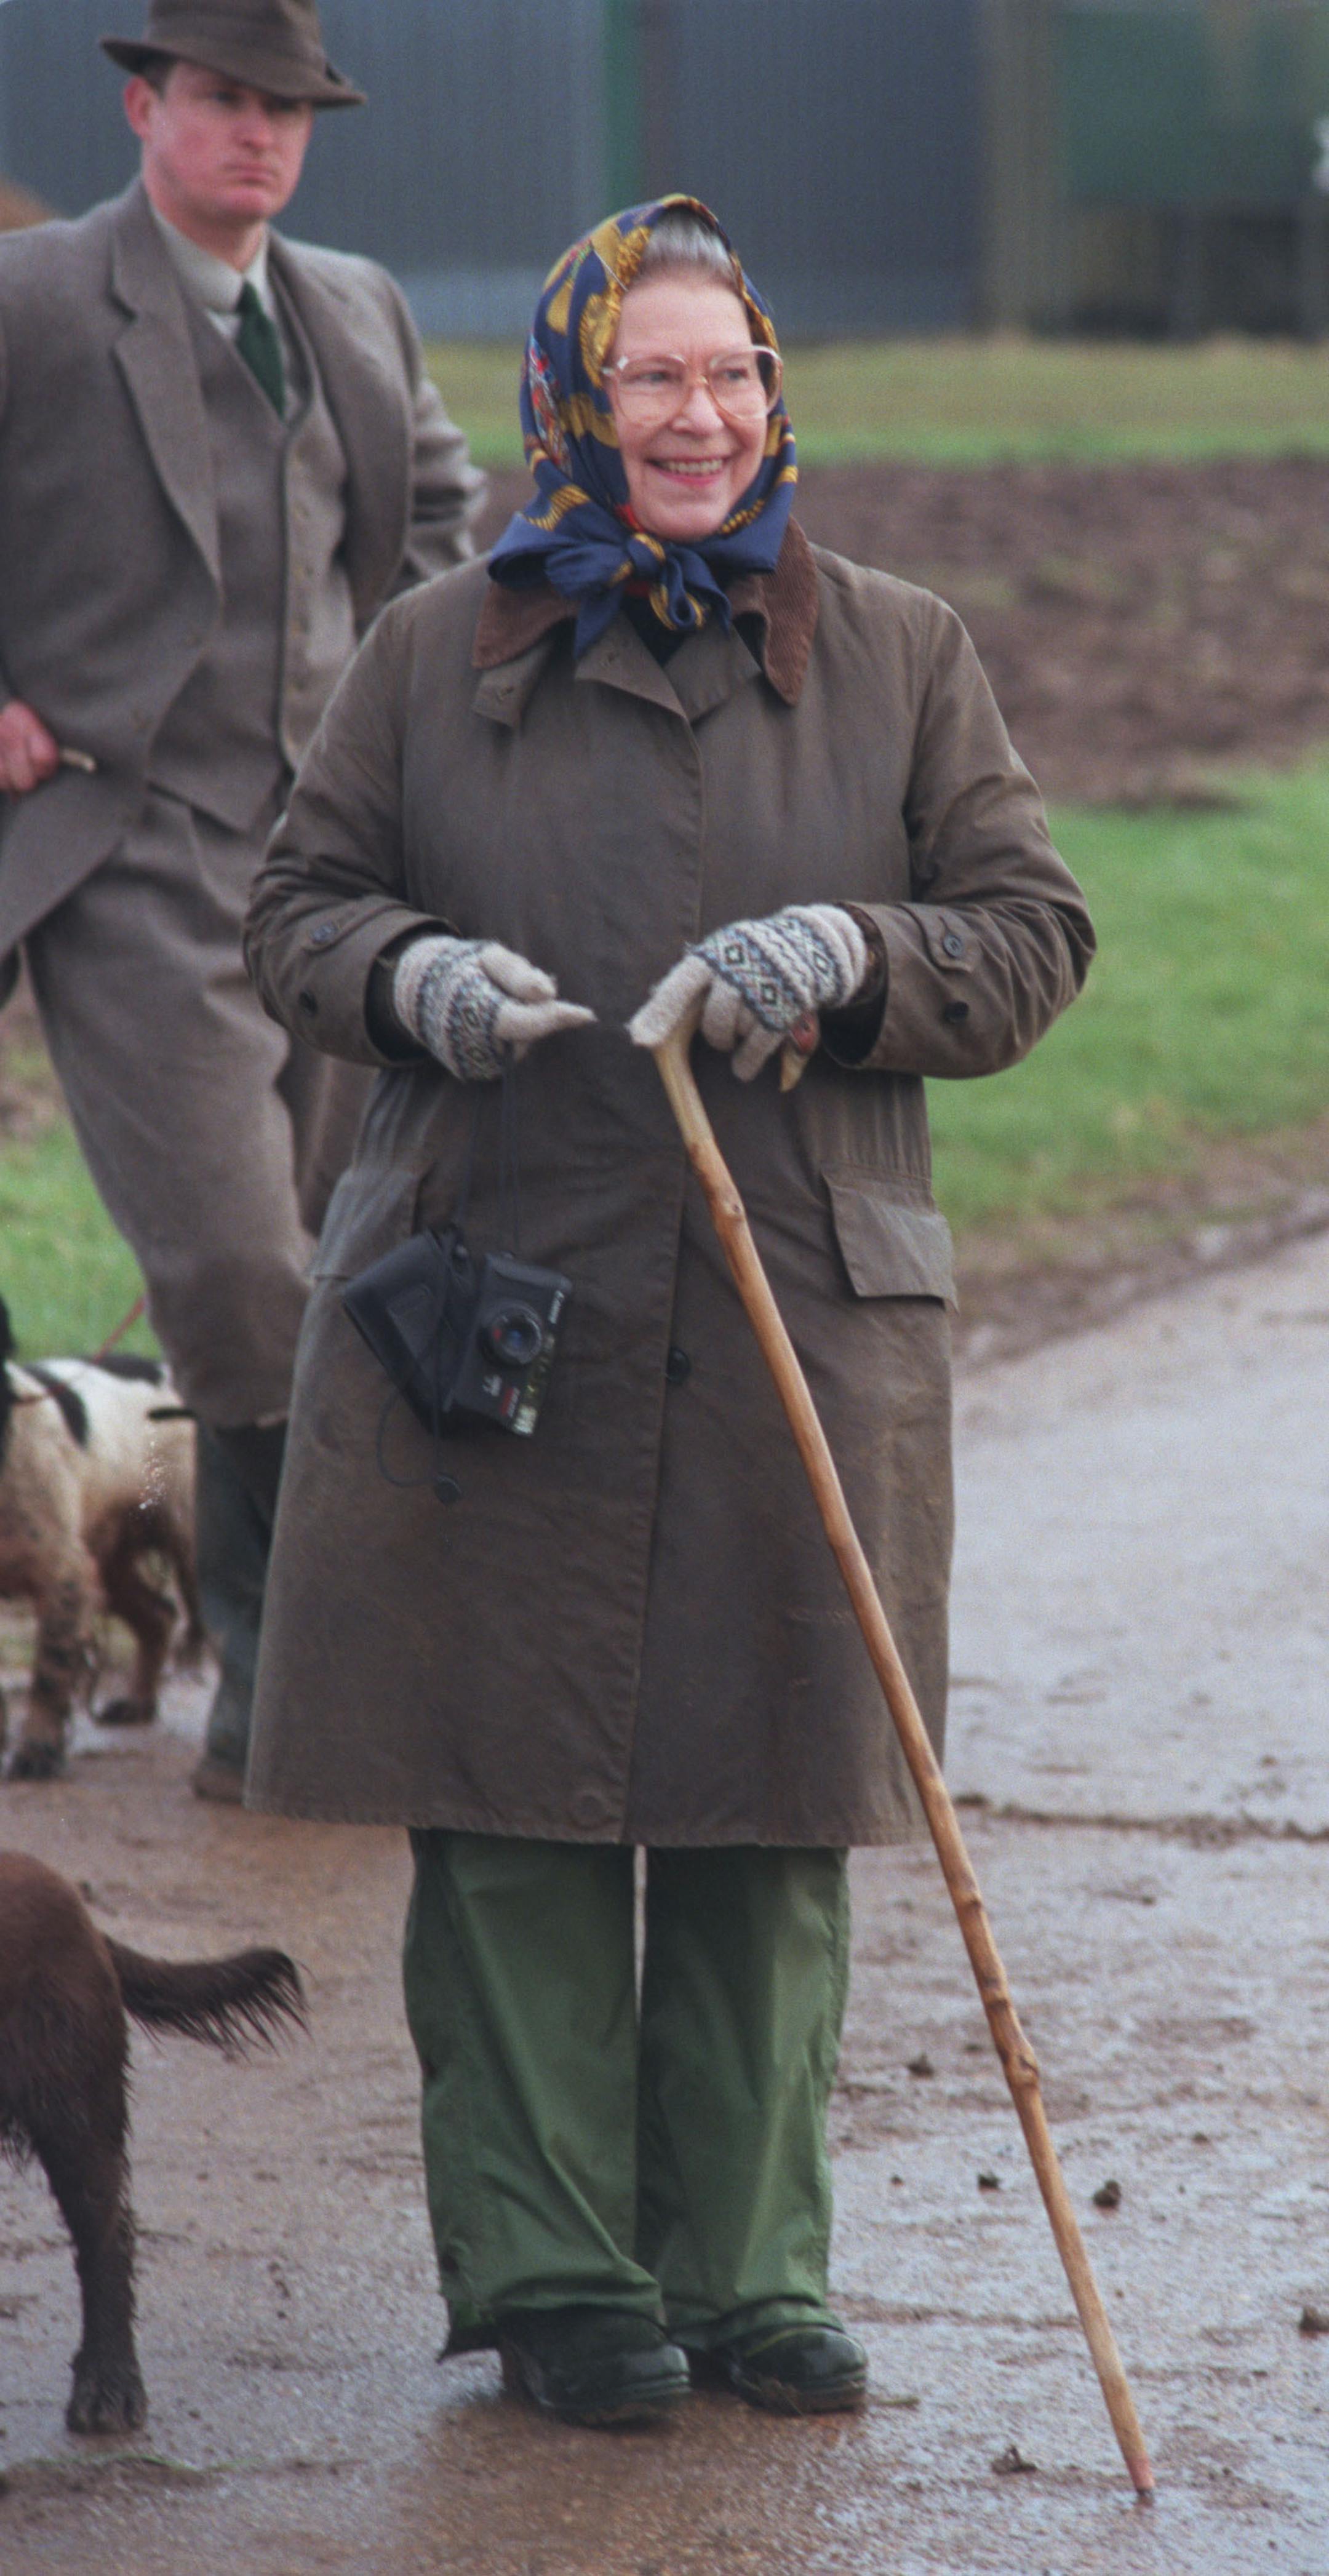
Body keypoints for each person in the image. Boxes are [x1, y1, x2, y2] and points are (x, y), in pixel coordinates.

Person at [241, 196, 1095, 2427]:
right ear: (571, 402)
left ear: (774, 391)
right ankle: (556, 2275)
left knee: (765, 1788)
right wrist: (406, 980)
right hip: (495, 1295)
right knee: (509, 1795)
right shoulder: (440, 651)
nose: (699, 416)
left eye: (730, 375)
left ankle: (749, 2273)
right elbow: (297, 909)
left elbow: (1030, 929)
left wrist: (857, 960)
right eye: (652, 378)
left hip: (794, 1304)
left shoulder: (897, 648)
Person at [0, 0, 485, 1797]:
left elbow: (444, 517)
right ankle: (279, 1670)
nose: (257, 136)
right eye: (221, 98)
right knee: (230, 1257)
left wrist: (408, 710)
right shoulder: (38, 298)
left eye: (288, 108)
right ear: (145, 106)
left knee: (337, 1248)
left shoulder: (351, 305)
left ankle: (294, 1644)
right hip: (120, 845)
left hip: (332, 861)